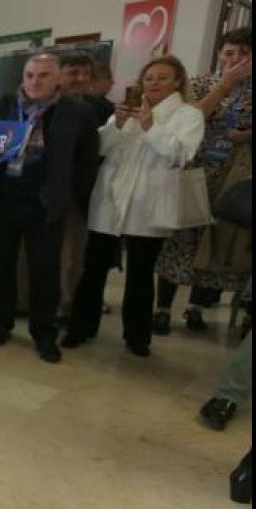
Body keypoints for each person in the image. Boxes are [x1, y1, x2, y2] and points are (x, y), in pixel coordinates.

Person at [62, 56, 205, 357]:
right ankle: (81, 328)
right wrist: (120, 124)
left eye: (162, 78)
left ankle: (137, 337)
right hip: (110, 200)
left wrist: (150, 126)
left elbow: (179, 155)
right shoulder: (125, 111)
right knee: (93, 270)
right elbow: (99, 147)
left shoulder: (188, 115)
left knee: (140, 273)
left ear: (178, 81)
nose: (153, 84)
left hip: (147, 204)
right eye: (149, 78)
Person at [0, 53, 99, 363]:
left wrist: (65, 195)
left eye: (43, 75)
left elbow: (87, 161)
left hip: (44, 205)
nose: (34, 81)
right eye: (29, 75)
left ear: (58, 79)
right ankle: (1, 322)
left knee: (45, 271)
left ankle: (43, 332)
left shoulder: (76, 112)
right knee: (0, 267)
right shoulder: (4, 105)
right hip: (1, 200)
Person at [154, 28, 252, 333]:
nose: (234, 59)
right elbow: (189, 118)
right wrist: (224, 86)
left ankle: (196, 307)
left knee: (215, 242)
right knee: (179, 239)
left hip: (233, 178)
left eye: (243, 53)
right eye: (228, 52)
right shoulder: (199, 84)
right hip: (194, 171)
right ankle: (162, 308)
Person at [57, 51, 111, 319]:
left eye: (85, 74)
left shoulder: (101, 108)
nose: (79, 79)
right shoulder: (41, 103)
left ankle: (67, 308)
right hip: (41, 193)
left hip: (81, 194)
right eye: (72, 72)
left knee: (72, 256)